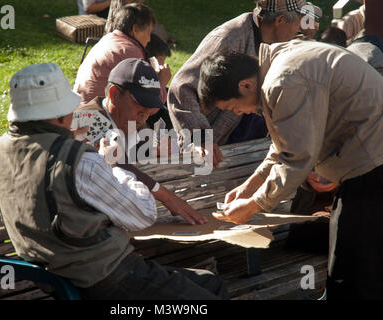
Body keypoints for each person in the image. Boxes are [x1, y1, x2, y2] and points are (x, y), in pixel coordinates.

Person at [0, 62, 227, 300]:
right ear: (61, 114)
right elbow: (143, 215)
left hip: (53, 277)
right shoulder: (79, 162)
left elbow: (12, 191)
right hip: (108, 279)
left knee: (208, 282)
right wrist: (111, 164)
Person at [197, 40, 383, 299]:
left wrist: (252, 206)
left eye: (231, 107)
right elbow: (285, 143)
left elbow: (297, 159)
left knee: (351, 269)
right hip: (366, 161)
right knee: (354, 262)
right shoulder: (280, 66)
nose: (238, 113)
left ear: (245, 85)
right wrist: (249, 185)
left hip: (371, 164)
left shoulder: (282, 81)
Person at [167, 0, 308, 168]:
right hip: (209, 150)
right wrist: (200, 138)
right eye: (299, 20)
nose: (300, 28)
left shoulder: (276, 44)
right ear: (280, 20)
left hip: (240, 145)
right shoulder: (229, 38)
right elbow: (181, 88)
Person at [75, 58, 208, 226]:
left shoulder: (133, 119)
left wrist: (176, 150)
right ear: (114, 95)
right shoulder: (88, 119)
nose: (145, 114)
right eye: (140, 105)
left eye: (150, 107)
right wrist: (168, 198)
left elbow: (150, 148)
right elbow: (119, 163)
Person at [74, 3, 170, 106]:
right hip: (98, 116)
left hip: (81, 107)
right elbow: (146, 105)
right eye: (148, 32)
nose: (149, 39)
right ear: (135, 29)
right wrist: (161, 82)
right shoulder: (130, 50)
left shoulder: (109, 38)